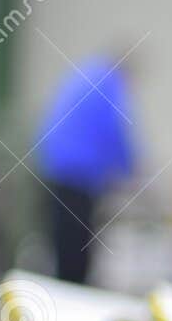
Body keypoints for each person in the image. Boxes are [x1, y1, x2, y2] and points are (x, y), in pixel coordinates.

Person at [33, 54, 137, 283]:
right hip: (77, 177)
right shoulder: (110, 83)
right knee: (77, 254)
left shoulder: (85, 75)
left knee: (62, 249)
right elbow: (118, 133)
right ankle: (73, 307)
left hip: (52, 169)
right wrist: (133, 172)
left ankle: (63, 298)